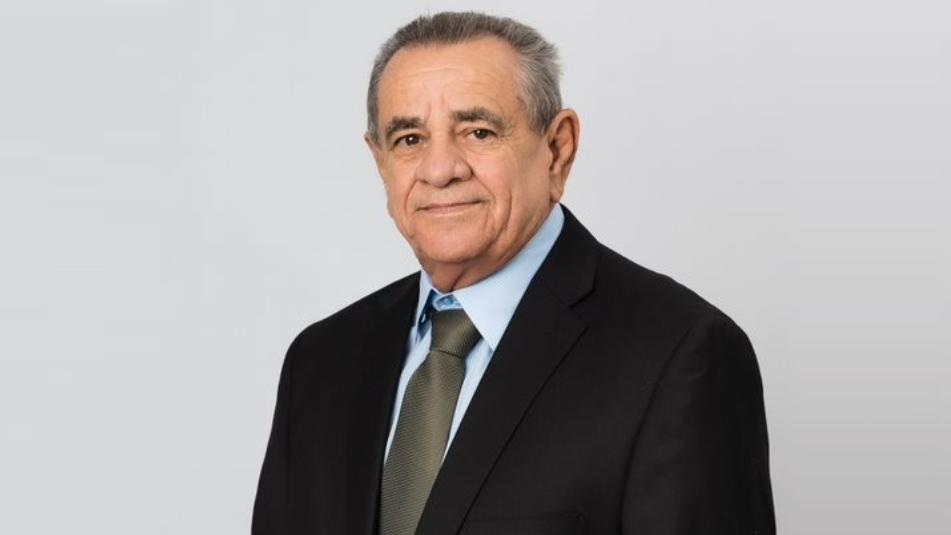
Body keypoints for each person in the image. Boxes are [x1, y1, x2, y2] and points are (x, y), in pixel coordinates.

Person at [252, 11, 775, 535]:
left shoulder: (678, 355)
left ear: (558, 150)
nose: (440, 169)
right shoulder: (320, 363)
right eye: (410, 139)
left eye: (478, 132)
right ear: (379, 161)